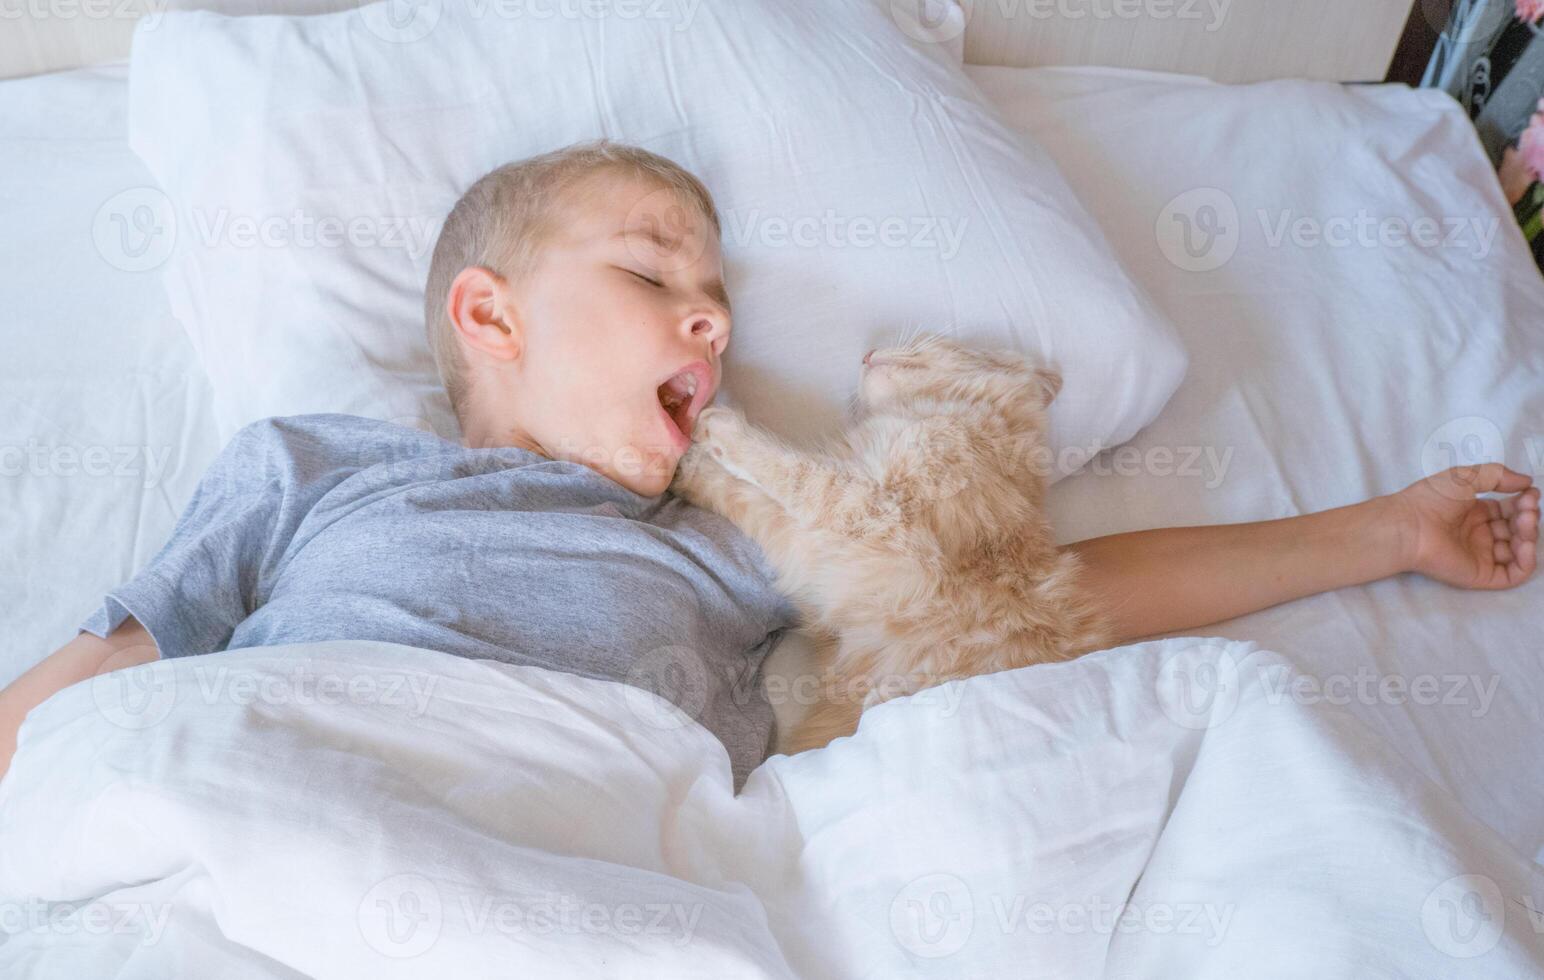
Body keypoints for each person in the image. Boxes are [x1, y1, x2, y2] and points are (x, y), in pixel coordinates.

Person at [1, 142, 1537, 788]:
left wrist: (1383, 534)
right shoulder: (315, 467)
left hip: (573, 838)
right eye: (653, 268)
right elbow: (105, 680)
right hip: (278, 766)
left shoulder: (734, 546)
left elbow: (1047, 602)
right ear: (490, 316)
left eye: (716, 292)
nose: (712, 314)